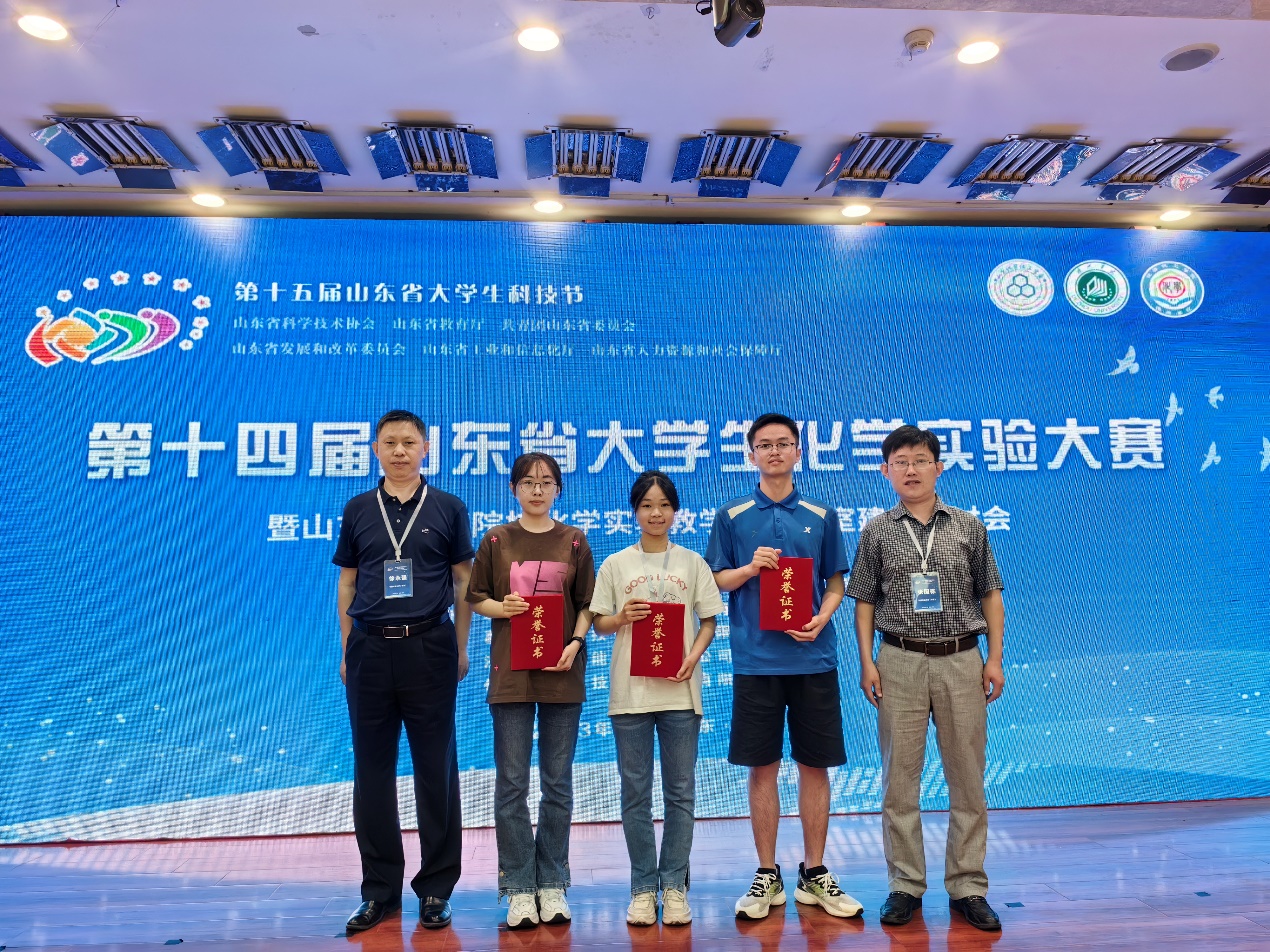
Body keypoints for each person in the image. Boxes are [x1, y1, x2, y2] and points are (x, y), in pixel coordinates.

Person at [846, 425, 1006, 932]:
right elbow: (864, 602)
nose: (911, 470)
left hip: (962, 659)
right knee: (899, 780)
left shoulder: (969, 526)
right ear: (885, 471)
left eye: (920, 460)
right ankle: (905, 885)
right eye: (900, 462)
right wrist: (867, 662)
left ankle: (968, 886)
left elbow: (991, 593)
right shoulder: (876, 531)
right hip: (899, 660)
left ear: (939, 467)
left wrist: (995, 658)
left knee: (968, 778)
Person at [705, 412, 863, 921]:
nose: (774, 451)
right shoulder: (731, 515)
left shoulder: (822, 513)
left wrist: (822, 617)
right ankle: (766, 873)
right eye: (765, 444)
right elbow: (716, 581)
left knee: (815, 765)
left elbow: (836, 582)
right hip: (756, 660)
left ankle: (814, 872)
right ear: (750, 454)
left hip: (813, 657)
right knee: (763, 767)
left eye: (783, 443)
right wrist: (751, 568)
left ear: (799, 451)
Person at [333, 410, 474, 933]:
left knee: (436, 771)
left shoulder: (448, 507)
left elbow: (464, 583)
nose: (399, 451)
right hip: (370, 650)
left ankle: (436, 889)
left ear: (425, 448)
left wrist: (460, 647)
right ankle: (379, 892)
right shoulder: (357, 509)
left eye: (409, 442)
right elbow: (348, 584)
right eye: (389, 442)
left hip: (430, 647)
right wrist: (346, 649)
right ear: (375, 449)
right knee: (371, 773)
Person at [588, 471, 724, 927]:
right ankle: (643, 888)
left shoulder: (692, 563)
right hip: (630, 695)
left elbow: (709, 620)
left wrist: (693, 656)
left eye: (664, 505)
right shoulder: (616, 564)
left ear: (675, 511)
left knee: (680, 794)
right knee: (635, 795)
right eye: (647, 505)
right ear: (635, 511)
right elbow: (598, 623)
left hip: (680, 692)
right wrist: (621, 617)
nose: (656, 513)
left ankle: (675, 886)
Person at [467, 452, 596, 930]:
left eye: (546, 482)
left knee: (557, 783)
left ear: (558, 489)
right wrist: (502, 608)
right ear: (514, 489)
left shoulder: (574, 540)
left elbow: (588, 602)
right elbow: (475, 597)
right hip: (511, 677)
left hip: (562, 671)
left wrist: (576, 641)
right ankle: (520, 887)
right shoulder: (496, 539)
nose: (537, 490)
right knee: (512, 784)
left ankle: (553, 882)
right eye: (527, 482)